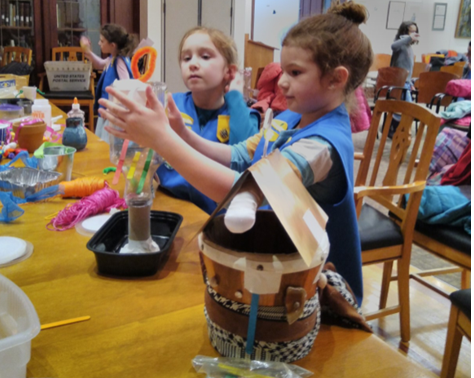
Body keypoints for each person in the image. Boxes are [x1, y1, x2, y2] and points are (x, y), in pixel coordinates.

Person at [99, 1, 373, 306]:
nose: (281, 81)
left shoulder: (321, 147)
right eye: (284, 70)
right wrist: (182, 134)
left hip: (312, 292)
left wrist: (163, 140)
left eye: (295, 72)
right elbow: (242, 155)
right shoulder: (292, 117)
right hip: (271, 267)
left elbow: (245, 190)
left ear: (336, 79)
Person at [157, 27, 261, 214]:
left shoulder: (242, 115)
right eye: (186, 58)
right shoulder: (171, 105)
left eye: (205, 57)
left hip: (214, 218)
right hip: (168, 207)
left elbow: (245, 163)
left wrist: (236, 96)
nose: (193, 64)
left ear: (229, 71)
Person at [80, 24, 137, 142]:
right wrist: (88, 52)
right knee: (101, 139)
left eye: (102, 41)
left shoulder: (120, 61)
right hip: (106, 110)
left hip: (114, 112)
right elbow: (100, 64)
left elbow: (126, 86)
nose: (99, 44)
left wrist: (116, 108)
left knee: (107, 143)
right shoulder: (112, 58)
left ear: (112, 45)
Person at [389, 21, 420, 136]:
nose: (414, 34)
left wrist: (410, 81)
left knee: (405, 107)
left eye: (415, 31)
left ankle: (393, 129)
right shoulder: (401, 44)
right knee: (404, 107)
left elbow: (408, 68)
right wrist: (408, 38)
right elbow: (393, 46)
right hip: (399, 82)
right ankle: (394, 129)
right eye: (411, 31)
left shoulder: (408, 47)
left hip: (406, 82)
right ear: (405, 31)